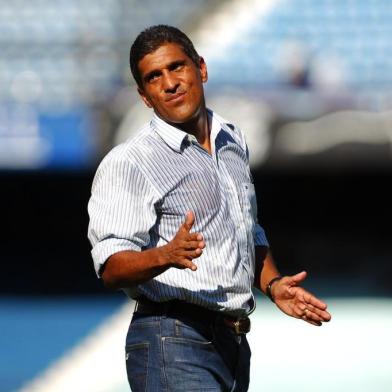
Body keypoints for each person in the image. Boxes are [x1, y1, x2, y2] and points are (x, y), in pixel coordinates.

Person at [87, 25, 331, 392]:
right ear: (144, 96)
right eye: (154, 77)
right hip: (171, 338)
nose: (170, 83)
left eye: (177, 67)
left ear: (201, 68)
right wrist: (165, 255)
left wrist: (273, 283)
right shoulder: (131, 161)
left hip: (232, 341)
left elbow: (247, 231)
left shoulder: (232, 139)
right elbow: (110, 267)